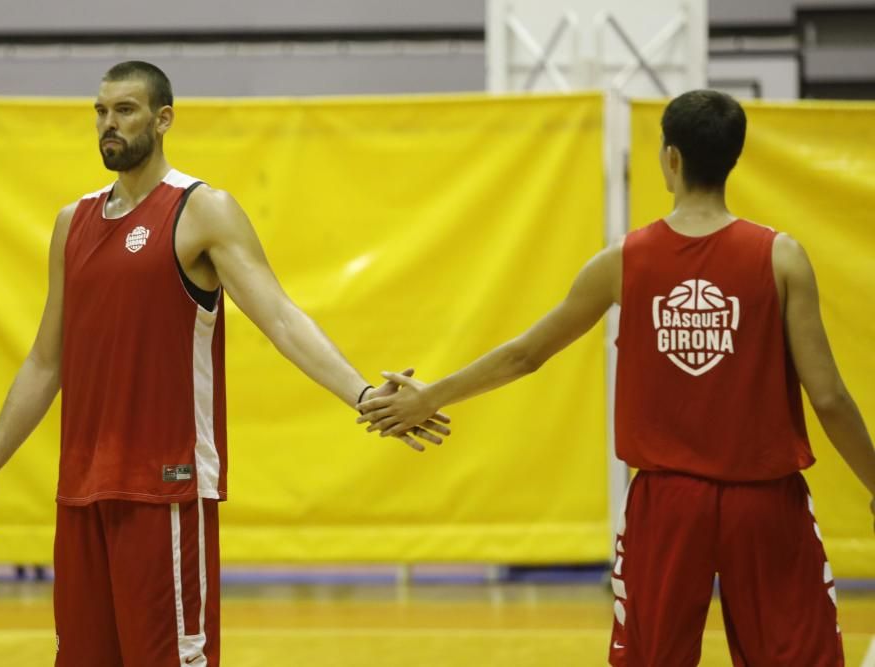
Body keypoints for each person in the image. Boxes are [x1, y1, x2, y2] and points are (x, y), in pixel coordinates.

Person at [0, 60, 450, 667]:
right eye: (101, 112)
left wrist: (362, 393)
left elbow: (281, 317)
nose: (109, 125)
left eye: (125, 110)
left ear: (163, 119)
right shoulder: (72, 223)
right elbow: (44, 361)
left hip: (164, 487)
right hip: (82, 491)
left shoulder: (201, 210)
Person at [359, 89, 875, 666]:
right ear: (735, 157)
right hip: (765, 502)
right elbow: (827, 397)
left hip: (665, 503)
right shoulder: (782, 257)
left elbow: (527, 353)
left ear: (670, 158)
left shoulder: (623, 260)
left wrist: (430, 395)